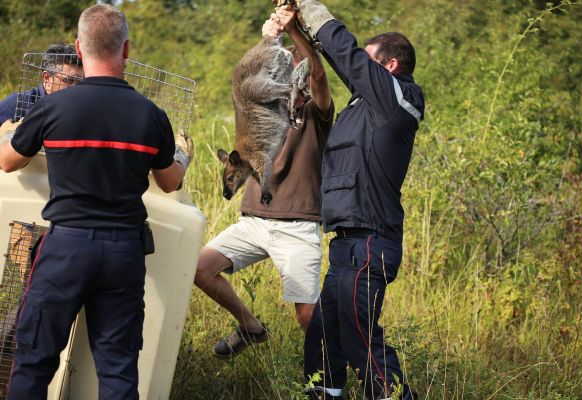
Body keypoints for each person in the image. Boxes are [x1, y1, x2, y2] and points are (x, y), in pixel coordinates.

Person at [0, 4, 192, 399]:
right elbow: (171, 182)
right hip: (123, 253)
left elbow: (8, 161)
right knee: (118, 369)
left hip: (65, 250)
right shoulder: (151, 115)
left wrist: (10, 132)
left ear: (79, 47)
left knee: (34, 361)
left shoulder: (52, 106)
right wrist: (184, 155)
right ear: (126, 51)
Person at [296, 1, 425, 399]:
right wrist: (297, 29)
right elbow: (335, 62)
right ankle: (325, 394)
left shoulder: (399, 99)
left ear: (388, 67)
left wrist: (308, 7)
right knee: (323, 335)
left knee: (360, 340)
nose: (358, 72)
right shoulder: (365, 104)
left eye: (368, 64)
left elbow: (346, 56)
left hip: (370, 242)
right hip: (346, 244)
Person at [194, 5, 333, 359]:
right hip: (253, 221)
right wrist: (270, 35)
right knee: (199, 268)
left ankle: (337, 375)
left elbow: (318, 76)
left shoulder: (315, 113)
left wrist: (296, 32)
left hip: (297, 226)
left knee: (306, 314)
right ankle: (252, 328)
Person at [0, 43, 83, 125]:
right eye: (69, 80)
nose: (76, 87)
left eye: (81, 81)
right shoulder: (16, 105)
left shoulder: (83, 107)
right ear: (46, 78)